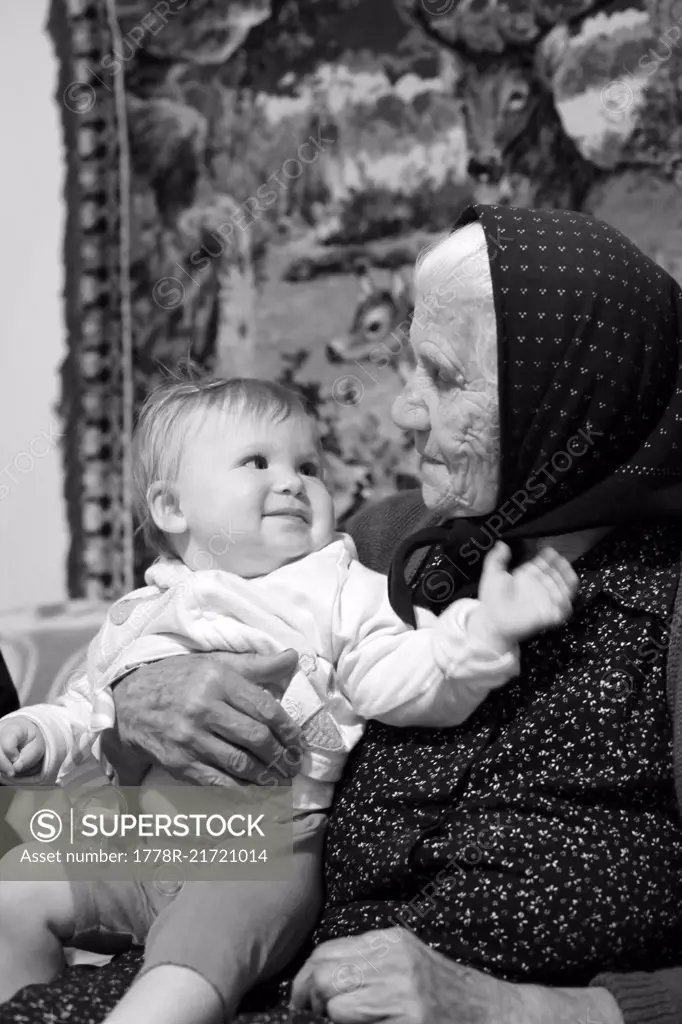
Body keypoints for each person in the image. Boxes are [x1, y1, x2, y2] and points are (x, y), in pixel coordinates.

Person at [1, 201, 682, 1024]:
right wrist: (141, 691)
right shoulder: (386, 540)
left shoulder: (664, 613)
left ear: (572, 390)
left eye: (448, 376)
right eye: (408, 367)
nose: (402, 410)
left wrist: (518, 1008)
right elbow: (136, 680)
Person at [0, 375, 576, 1024]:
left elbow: (408, 676)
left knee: (184, 972)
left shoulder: (339, 587)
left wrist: (483, 632)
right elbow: (91, 705)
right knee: (13, 892)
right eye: (257, 462)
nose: (292, 481)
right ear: (171, 508)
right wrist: (37, 730)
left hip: (260, 853)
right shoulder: (143, 608)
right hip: (140, 836)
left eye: (309, 465)